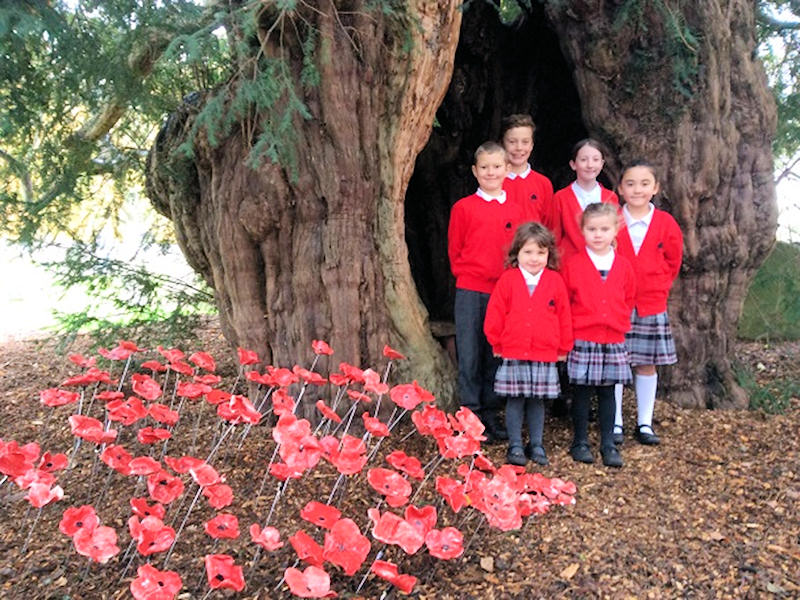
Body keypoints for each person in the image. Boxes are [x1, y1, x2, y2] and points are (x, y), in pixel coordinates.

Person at [448, 142, 537, 441]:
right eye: (484, 167)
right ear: (475, 171)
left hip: (503, 292)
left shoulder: (517, 209)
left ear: (507, 170)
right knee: (470, 353)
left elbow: (521, 252)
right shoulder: (463, 208)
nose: (490, 172)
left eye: (497, 166)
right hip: (470, 291)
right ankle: (468, 416)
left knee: (494, 354)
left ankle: (489, 413)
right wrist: (470, 274)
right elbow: (455, 250)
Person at [484, 222, 573, 466]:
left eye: (540, 253)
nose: (534, 258)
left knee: (537, 400)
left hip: (544, 352)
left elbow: (564, 316)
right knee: (515, 400)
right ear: (517, 253)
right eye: (528, 252)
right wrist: (497, 342)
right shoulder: (508, 280)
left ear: (549, 254)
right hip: (513, 350)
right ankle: (514, 445)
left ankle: (536, 444)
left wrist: (563, 348)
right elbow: (495, 315)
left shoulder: (555, 281)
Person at [613, 160, 683, 445]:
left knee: (646, 364)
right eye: (630, 184)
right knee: (615, 365)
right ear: (620, 188)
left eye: (644, 184)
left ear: (655, 188)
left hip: (650, 304)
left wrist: (658, 285)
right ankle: (614, 421)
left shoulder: (665, 222)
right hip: (616, 304)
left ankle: (644, 422)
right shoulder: (613, 219)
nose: (637, 189)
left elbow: (673, 260)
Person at [561, 202, 635, 468]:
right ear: (582, 231)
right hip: (583, 336)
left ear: (616, 230)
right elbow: (566, 301)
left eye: (604, 229)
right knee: (581, 392)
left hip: (613, 337)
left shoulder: (623, 265)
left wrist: (616, 321)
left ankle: (608, 443)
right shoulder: (574, 264)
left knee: (607, 393)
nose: (598, 234)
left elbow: (628, 297)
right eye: (592, 229)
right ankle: (580, 441)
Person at [552, 139, 619, 263]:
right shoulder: (561, 197)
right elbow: (555, 235)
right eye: (583, 160)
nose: (590, 165)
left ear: (602, 164)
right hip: (569, 262)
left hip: (602, 262)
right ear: (573, 164)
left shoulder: (610, 197)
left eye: (595, 160)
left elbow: (615, 234)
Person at [500, 114, 554, 227]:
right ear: (502, 144)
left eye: (525, 142)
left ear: (532, 145)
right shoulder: (494, 181)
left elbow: (549, 225)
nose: (519, 148)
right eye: (512, 142)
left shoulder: (543, 184)